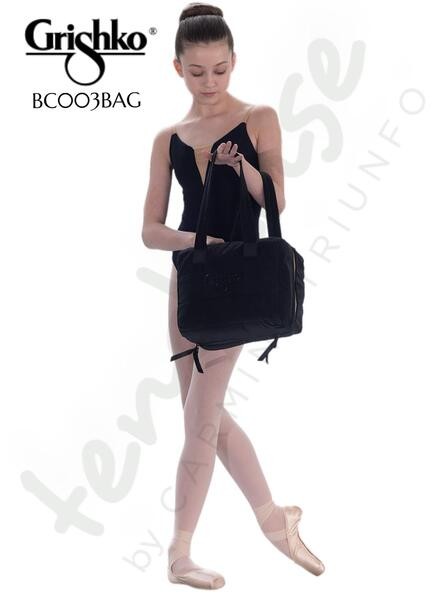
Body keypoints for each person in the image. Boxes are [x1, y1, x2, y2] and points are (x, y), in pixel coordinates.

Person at [141, 2, 325, 589]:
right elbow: (150, 231)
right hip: (189, 281)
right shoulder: (168, 139)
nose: (210, 82)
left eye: (220, 69)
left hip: (237, 282)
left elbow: (276, 199)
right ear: (178, 68)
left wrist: (240, 166)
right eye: (197, 72)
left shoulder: (258, 117)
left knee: (200, 421)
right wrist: (199, 241)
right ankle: (275, 519)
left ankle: (178, 554)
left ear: (234, 62)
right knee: (204, 417)